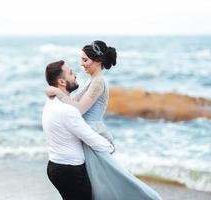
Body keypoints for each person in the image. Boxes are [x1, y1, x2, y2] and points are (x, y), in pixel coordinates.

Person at [46, 41, 162, 200]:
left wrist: (57, 93)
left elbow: (78, 109)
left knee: (112, 181)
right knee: (97, 184)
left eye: (85, 60)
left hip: (93, 133)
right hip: (86, 134)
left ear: (98, 61)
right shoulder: (90, 80)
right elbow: (73, 105)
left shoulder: (98, 81)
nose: (82, 64)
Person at [42, 60, 114, 200]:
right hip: (70, 171)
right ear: (62, 82)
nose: (75, 74)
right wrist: (109, 147)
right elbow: (90, 138)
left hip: (55, 166)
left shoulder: (51, 102)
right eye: (70, 73)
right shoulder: (68, 110)